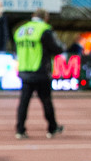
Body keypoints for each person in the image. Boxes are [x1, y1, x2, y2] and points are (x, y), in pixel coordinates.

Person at [13, 8, 64, 139]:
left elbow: (15, 49)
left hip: (24, 70)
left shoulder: (20, 30)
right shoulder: (44, 29)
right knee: (46, 101)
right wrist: (61, 48)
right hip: (40, 70)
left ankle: (20, 130)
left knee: (24, 102)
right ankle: (52, 128)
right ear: (45, 17)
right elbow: (56, 48)